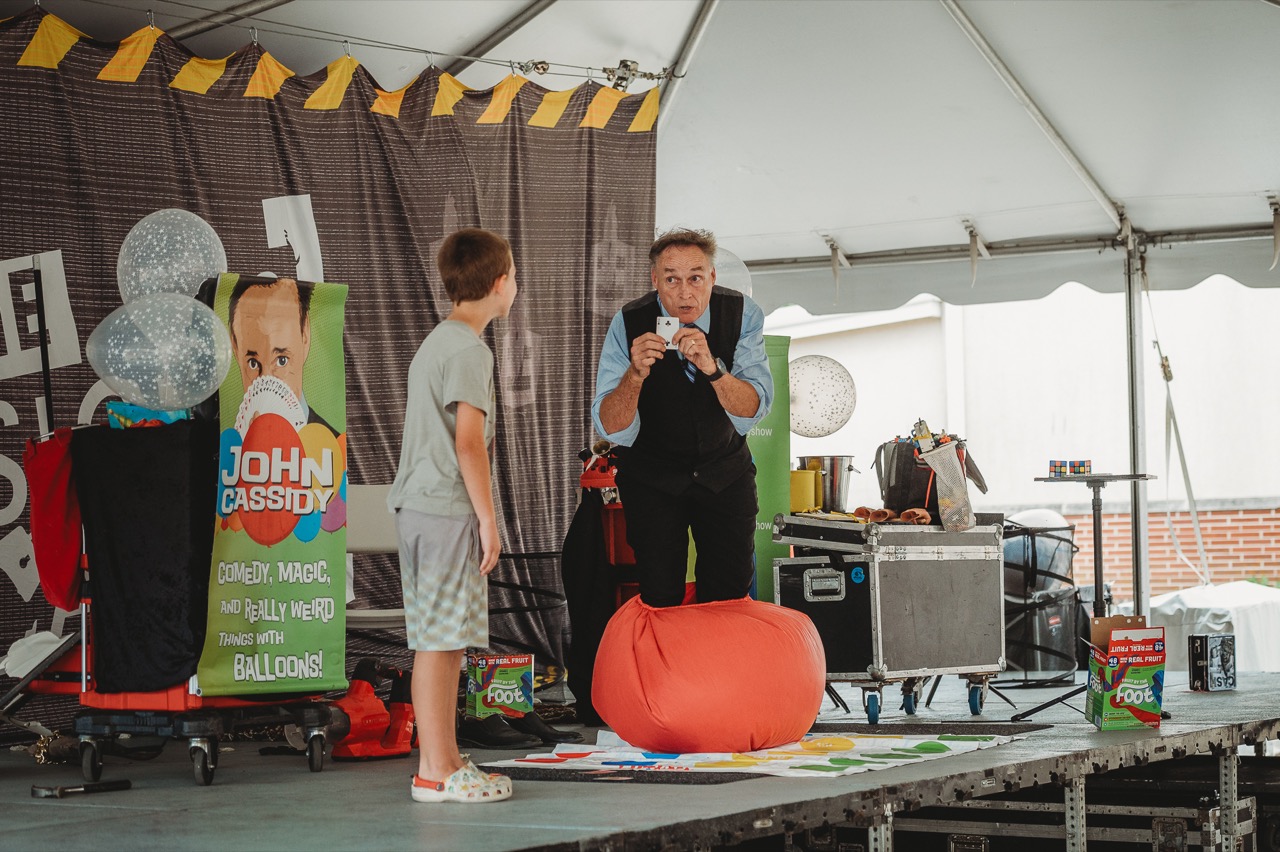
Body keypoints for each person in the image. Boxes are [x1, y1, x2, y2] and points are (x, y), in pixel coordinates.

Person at [386, 228, 518, 803]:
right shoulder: (469, 350)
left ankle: (443, 762)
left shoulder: (439, 341)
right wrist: (488, 519)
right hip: (443, 508)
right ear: (500, 283)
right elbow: (468, 443)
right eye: (514, 276)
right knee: (440, 643)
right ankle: (435, 770)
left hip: (422, 506)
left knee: (443, 641)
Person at [591, 227, 773, 607]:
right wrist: (634, 376)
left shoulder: (743, 314)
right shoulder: (628, 321)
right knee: (660, 596)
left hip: (724, 472)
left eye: (695, 278)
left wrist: (713, 370)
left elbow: (753, 408)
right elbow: (611, 427)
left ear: (712, 277)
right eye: (672, 279)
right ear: (655, 280)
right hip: (652, 475)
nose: (685, 293)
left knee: (728, 597)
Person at [227, 276, 334, 432]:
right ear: (235, 347)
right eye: (253, 364)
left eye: (282, 360)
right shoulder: (225, 441)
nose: (267, 383)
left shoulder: (333, 442)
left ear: (305, 336)